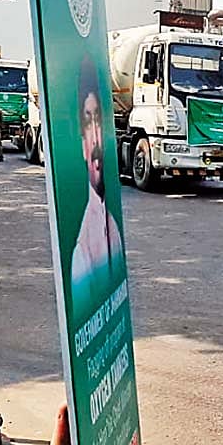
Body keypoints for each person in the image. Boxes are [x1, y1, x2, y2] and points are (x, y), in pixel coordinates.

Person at [71, 58, 124, 313]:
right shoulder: (82, 256)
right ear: (82, 143)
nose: (95, 136)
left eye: (99, 120)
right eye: (87, 120)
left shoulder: (111, 223)